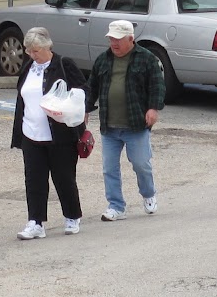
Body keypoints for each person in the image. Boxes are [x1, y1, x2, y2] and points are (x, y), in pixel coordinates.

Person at [10, 26, 87, 240]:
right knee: (34, 179)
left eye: (36, 51)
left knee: (64, 177)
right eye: (29, 51)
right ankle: (35, 222)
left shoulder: (64, 64)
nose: (32, 55)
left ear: (47, 47)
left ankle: (72, 216)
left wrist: (71, 106)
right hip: (30, 133)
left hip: (60, 135)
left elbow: (84, 90)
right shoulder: (28, 67)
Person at [86, 18, 164, 221]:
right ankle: (116, 206)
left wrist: (153, 108)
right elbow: (92, 87)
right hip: (109, 126)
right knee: (109, 168)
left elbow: (157, 85)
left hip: (136, 124)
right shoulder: (103, 60)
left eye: (118, 39)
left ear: (131, 38)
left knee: (141, 164)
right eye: (111, 39)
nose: (114, 43)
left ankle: (148, 194)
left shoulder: (146, 59)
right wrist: (85, 109)